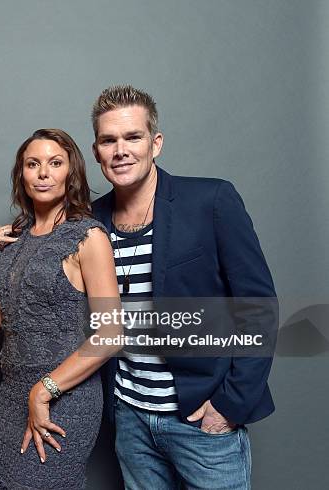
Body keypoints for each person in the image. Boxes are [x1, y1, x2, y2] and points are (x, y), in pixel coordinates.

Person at [91, 85, 277, 489]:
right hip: (130, 417)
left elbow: (258, 306)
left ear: (155, 144)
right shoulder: (91, 220)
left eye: (133, 137)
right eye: (109, 140)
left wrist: (230, 405)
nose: (121, 150)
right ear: (97, 151)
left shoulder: (210, 200)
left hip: (200, 416)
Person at [0, 129, 122, 489]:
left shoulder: (88, 236)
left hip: (64, 395)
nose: (43, 173)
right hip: (14, 394)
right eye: (33, 164)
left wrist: (44, 390)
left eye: (55, 163)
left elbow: (111, 332)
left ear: (71, 173)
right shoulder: (16, 239)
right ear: (21, 174)